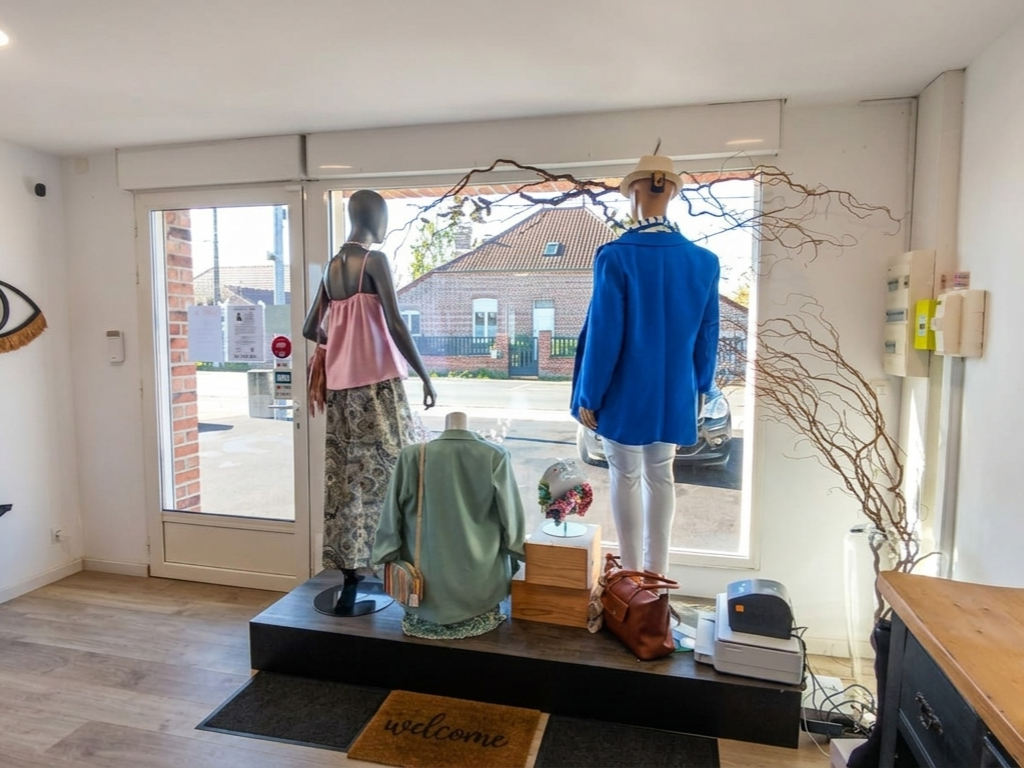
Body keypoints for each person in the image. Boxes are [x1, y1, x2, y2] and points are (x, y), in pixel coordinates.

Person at [570, 155, 721, 576]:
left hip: (624, 389)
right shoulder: (704, 261)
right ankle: (655, 576)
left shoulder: (616, 256)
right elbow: (707, 333)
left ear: (635, 191)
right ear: (671, 192)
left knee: (626, 476)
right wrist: (701, 386)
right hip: (676, 389)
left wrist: (590, 393)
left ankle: (632, 575)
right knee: (661, 476)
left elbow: (605, 333)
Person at [302, 189, 436, 586]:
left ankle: (350, 567)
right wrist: (425, 375)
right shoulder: (373, 260)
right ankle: (397, 566)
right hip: (377, 386)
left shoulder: (331, 267)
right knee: (396, 473)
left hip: (341, 392)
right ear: (375, 218)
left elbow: (310, 328)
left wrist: (341, 342)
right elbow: (396, 323)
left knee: (346, 480)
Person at [372, 412, 526, 639]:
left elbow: (391, 511)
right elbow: (510, 513)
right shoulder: (495, 456)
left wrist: (386, 551)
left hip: (425, 579)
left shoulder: (412, 455)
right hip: (480, 576)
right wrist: (518, 549)